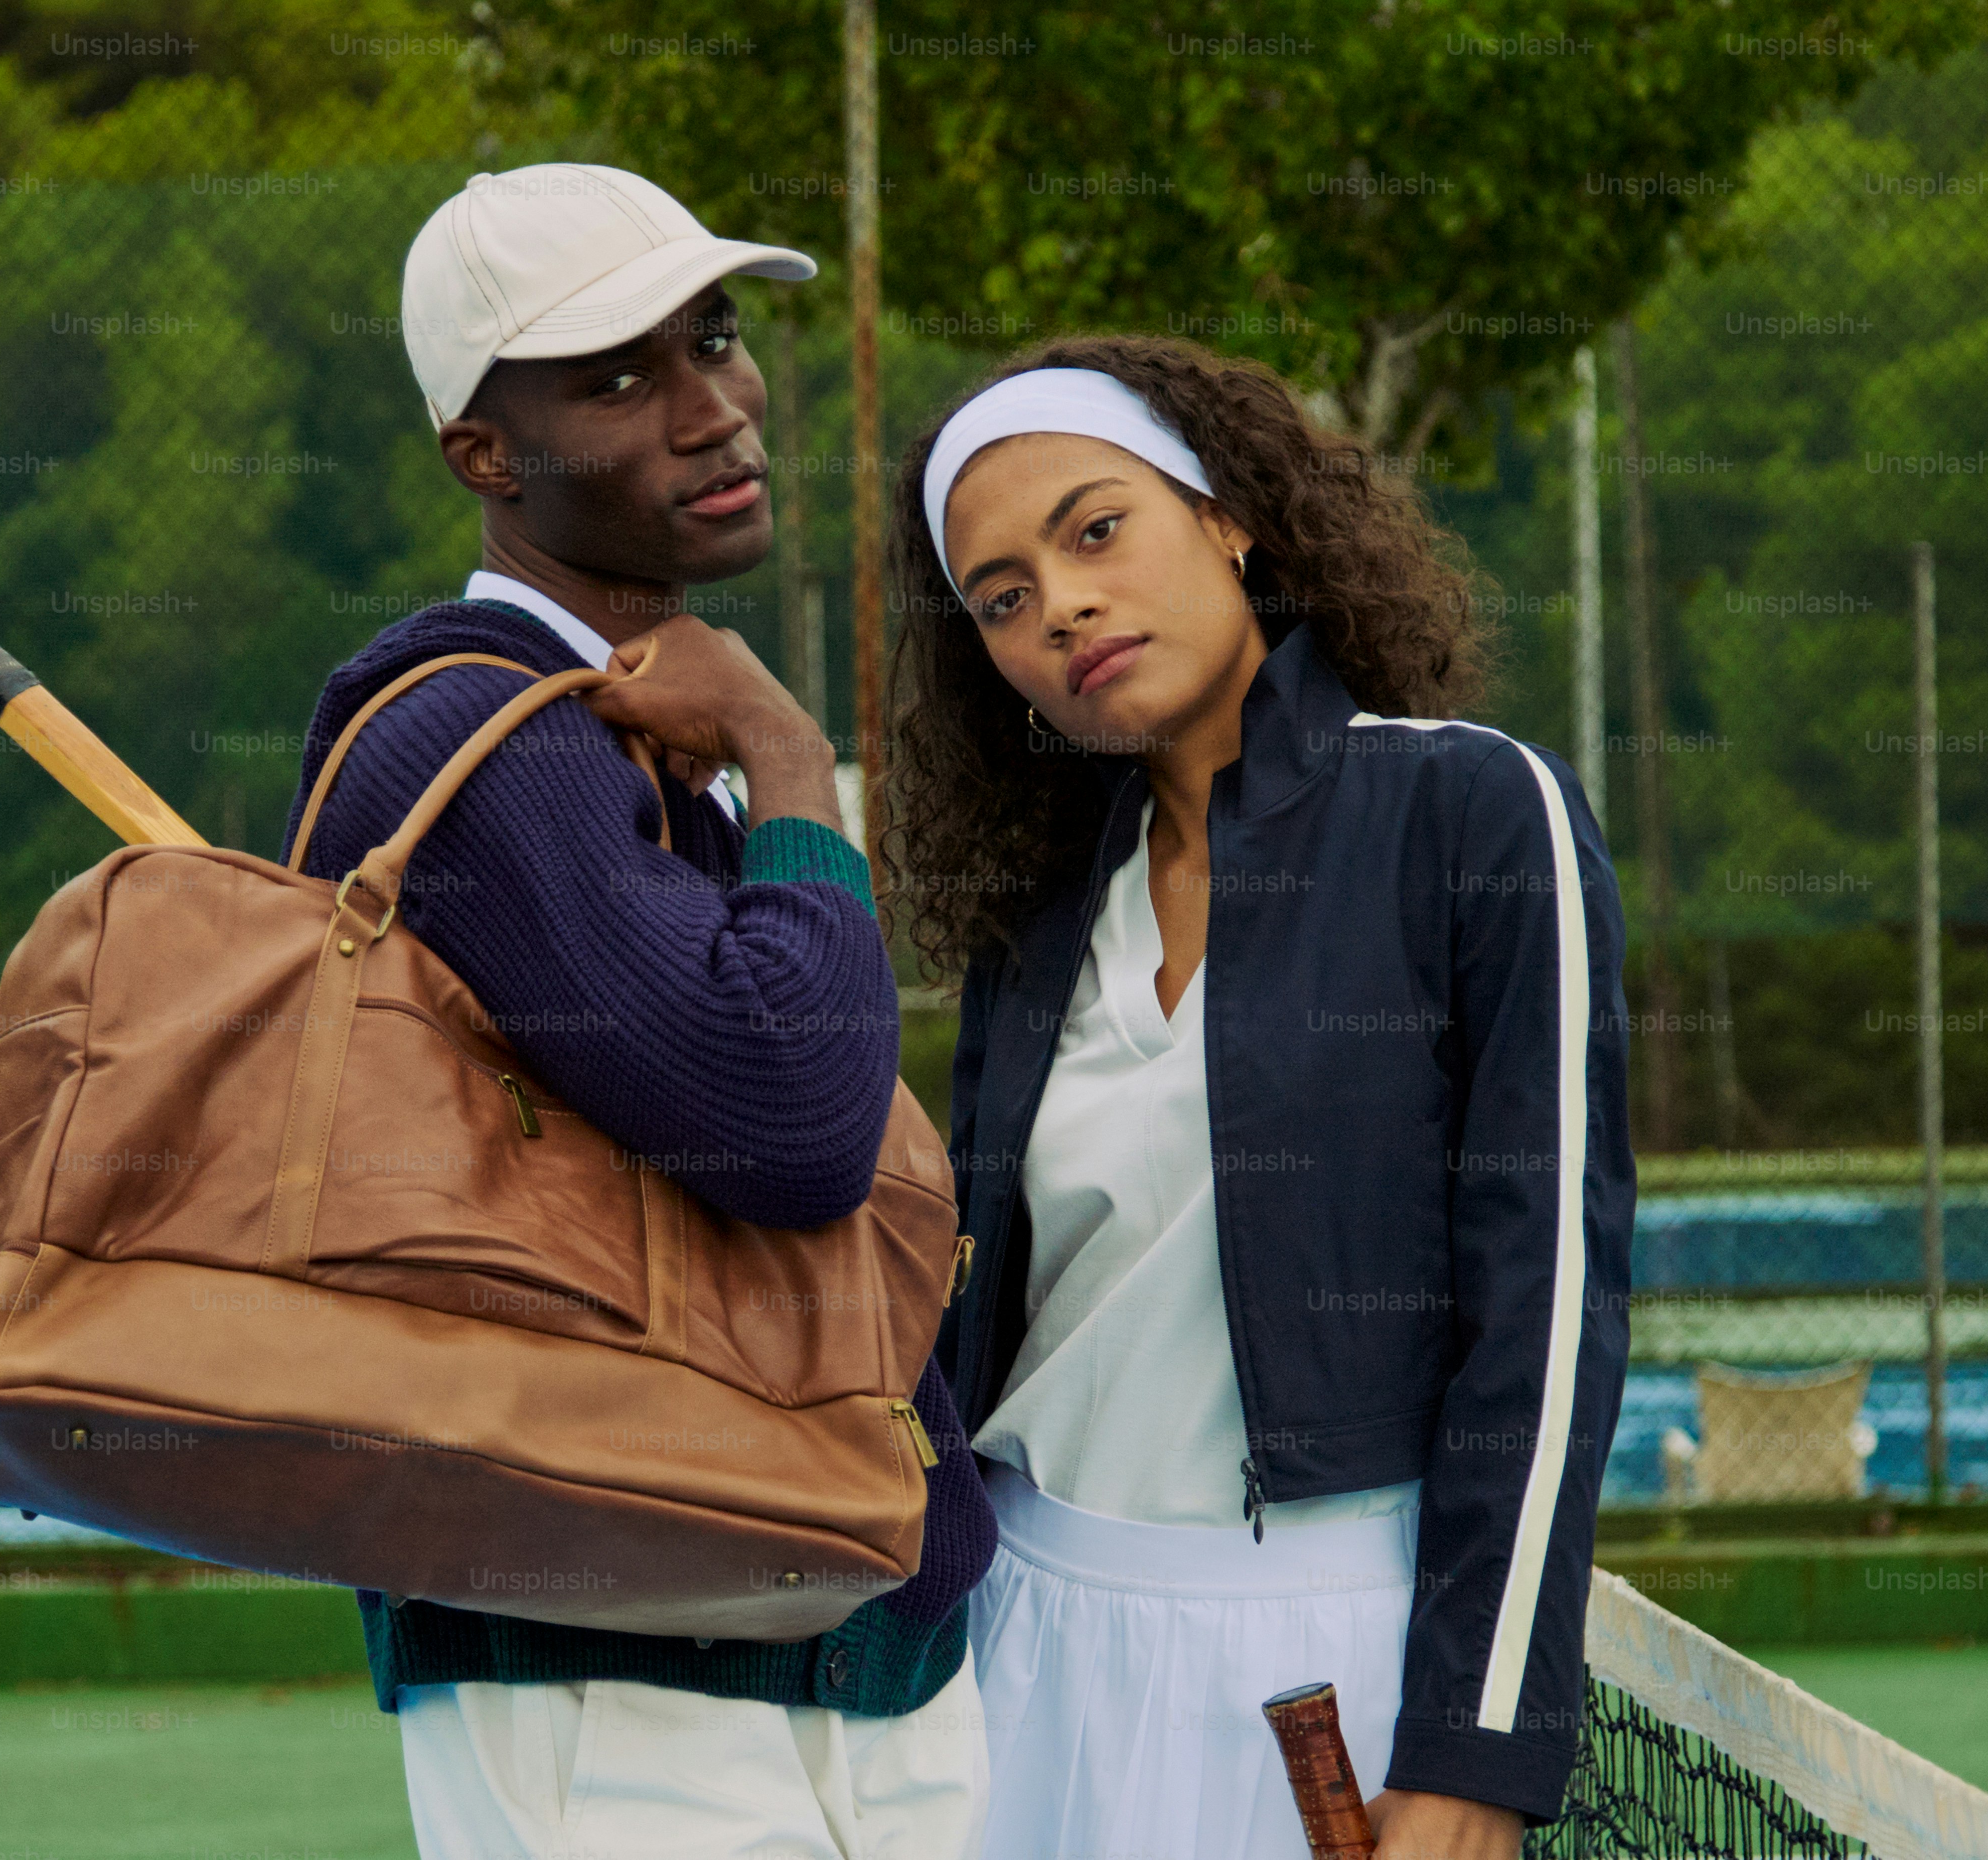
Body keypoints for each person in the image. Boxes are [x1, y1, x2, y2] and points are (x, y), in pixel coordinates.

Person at [285, 163, 991, 1859]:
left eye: (717, 342)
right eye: (618, 378)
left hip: (810, 1616)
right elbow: (788, 1113)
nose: (715, 410)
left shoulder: (627, 739)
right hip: (615, 1658)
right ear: (483, 455)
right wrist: (796, 755)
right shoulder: (469, 749)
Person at [887, 336, 1635, 1860]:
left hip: (1327, 1658)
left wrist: (1481, 1745)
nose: (1063, 608)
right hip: (1012, 1644)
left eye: (1096, 530)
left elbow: (1547, 1318)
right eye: (1004, 598)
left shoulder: (1474, 812)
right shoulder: (1036, 921)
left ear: (1230, 515)